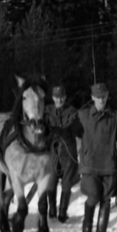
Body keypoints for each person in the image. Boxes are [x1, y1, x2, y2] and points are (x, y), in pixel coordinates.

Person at [70, 82, 117, 232]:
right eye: (98, 97)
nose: (101, 100)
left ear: (108, 96)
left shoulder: (115, 117)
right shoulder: (83, 115)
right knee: (94, 194)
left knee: (106, 199)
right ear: (92, 98)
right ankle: (86, 226)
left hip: (109, 166)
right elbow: (70, 129)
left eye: (104, 96)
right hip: (89, 165)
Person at [42, 84, 79, 223]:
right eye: (57, 97)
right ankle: (52, 209)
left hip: (68, 151)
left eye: (62, 97)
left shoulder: (72, 111)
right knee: (51, 181)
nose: (59, 100)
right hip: (52, 150)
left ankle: (63, 211)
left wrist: (61, 130)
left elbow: (74, 129)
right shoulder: (46, 111)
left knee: (67, 182)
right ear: (52, 98)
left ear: (65, 97)